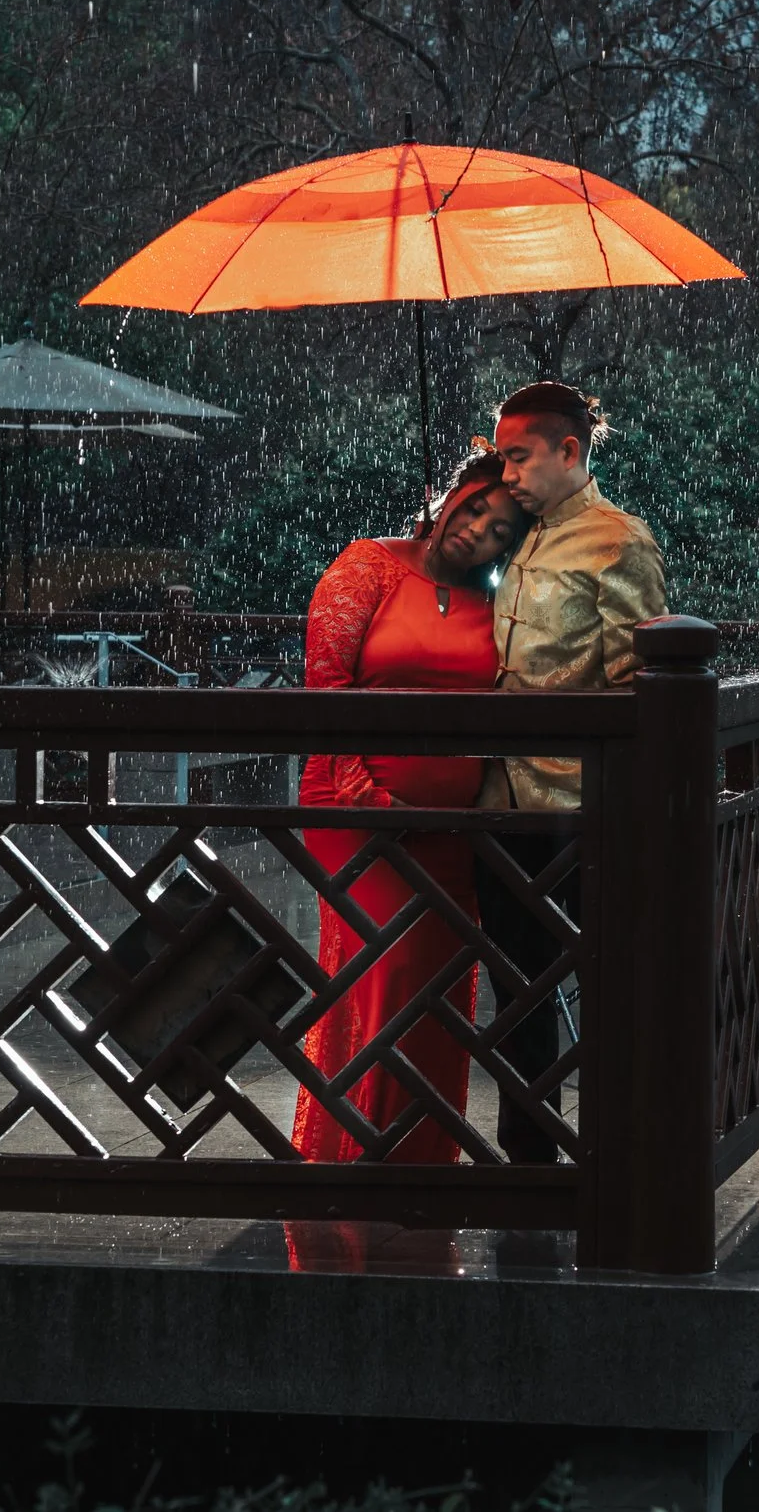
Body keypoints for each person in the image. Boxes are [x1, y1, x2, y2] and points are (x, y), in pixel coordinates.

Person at [292, 454, 527, 1164]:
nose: (480, 529)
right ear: (450, 495)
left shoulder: (501, 605)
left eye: (500, 530)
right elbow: (325, 683)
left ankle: (422, 1162)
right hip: (353, 805)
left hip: (455, 831)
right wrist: (370, 799)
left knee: (441, 982)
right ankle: (367, 1157)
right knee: (392, 966)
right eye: (477, 507)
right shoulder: (369, 566)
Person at [476, 380, 667, 1163]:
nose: (507, 473)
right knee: (516, 984)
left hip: (584, 800)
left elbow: (641, 679)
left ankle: (627, 1149)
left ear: (569, 451)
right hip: (502, 799)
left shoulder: (620, 540)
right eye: (500, 458)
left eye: (518, 457)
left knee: (607, 979)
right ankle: (529, 1148)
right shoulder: (516, 534)